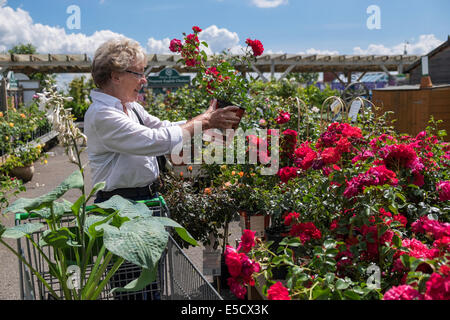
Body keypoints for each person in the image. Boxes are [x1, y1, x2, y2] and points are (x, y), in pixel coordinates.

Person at [84, 37, 241, 299]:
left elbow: (162, 127)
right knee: (132, 285)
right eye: (139, 73)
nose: (144, 80)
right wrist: (204, 122)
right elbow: (154, 141)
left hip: (142, 202)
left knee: (150, 283)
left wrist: (207, 122)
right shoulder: (102, 114)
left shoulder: (129, 107)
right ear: (115, 76)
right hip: (120, 208)